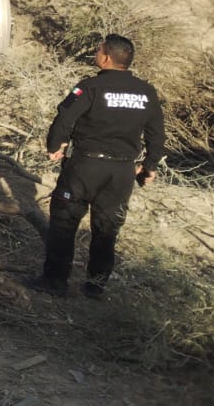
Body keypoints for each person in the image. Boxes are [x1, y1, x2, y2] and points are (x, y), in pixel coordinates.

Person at [32, 33, 165, 299]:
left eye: (98, 50)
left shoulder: (90, 87)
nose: (96, 53)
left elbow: (64, 118)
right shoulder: (147, 92)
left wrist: (55, 146)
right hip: (121, 173)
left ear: (105, 57)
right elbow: (157, 135)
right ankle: (95, 286)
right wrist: (148, 167)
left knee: (64, 222)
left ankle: (55, 281)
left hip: (85, 166)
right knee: (107, 229)